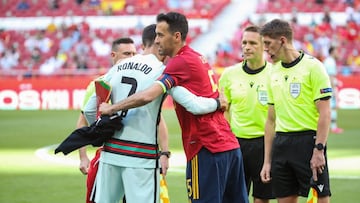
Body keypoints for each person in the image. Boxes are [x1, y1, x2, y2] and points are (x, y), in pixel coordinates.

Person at [98, 12, 249, 203]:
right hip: (229, 146)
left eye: (161, 35)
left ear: (176, 36)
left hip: (205, 147)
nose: (157, 40)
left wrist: (112, 108)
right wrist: (217, 103)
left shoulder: (178, 62)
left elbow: (148, 95)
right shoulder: (197, 57)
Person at [259, 19, 332, 203]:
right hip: (281, 144)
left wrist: (319, 150)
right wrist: (267, 161)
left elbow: (325, 113)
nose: (265, 49)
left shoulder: (313, 67)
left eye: (268, 43)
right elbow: (270, 121)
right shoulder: (272, 72)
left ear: (282, 40)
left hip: (308, 143)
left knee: (320, 198)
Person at [218, 25, 274, 203]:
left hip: (265, 145)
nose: (247, 47)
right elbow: (223, 112)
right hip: (236, 145)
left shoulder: (275, 74)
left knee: (262, 198)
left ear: (264, 45)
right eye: (244, 43)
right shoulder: (228, 75)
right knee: (233, 198)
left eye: (252, 43)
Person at [77, 37, 137, 203]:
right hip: (108, 155)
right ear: (113, 55)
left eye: (134, 53)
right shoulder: (99, 85)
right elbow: (82, 121)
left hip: (136, 156)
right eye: (126, 53)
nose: (131, 57)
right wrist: (83, 157)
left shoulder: (142, 82)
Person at [323, 46, 343, 134]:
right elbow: (330, 77)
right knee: (332, 107)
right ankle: (333, 127)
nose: (338, 53)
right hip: (329, 87)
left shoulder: (328, 61)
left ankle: (329, 126)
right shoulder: (330, 62)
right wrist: (333, 91)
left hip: (324, 86)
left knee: (327, 108)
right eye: (336, 51)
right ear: (332, 52)